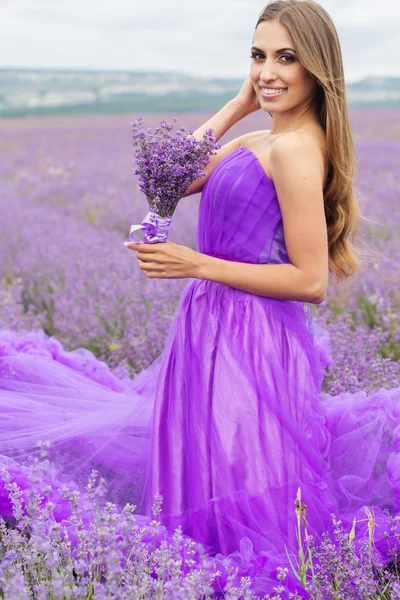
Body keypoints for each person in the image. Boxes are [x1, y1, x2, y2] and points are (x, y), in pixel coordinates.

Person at [1, 0, 399, 596]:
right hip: (209, 329)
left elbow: (311, 281)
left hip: (251, 341)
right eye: (258, 56)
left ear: (317, 69)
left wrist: (196, 264)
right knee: (199, 472)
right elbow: (165, 177)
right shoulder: (262, 138)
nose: (268, 70)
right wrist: (240, 104)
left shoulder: (293, 150)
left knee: (240, 479)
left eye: (286, 58)